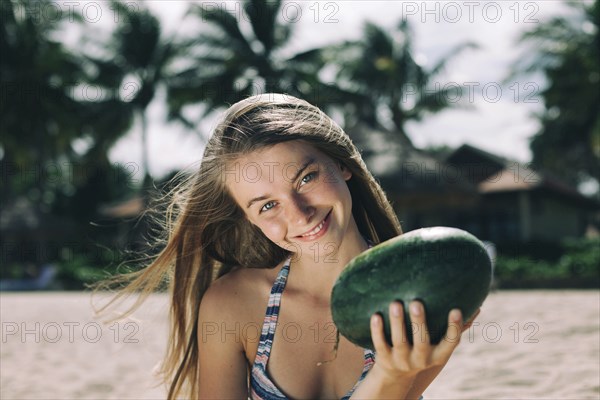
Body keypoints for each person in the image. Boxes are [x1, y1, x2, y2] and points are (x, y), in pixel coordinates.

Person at [101, 93, 478, 399]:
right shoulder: (232, 306)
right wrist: (390, 378)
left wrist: (399, 378)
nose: (299, 215)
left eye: (307, 177)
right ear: (247, 217)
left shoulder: (418, 293)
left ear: (342, 165)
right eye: (267, 205)